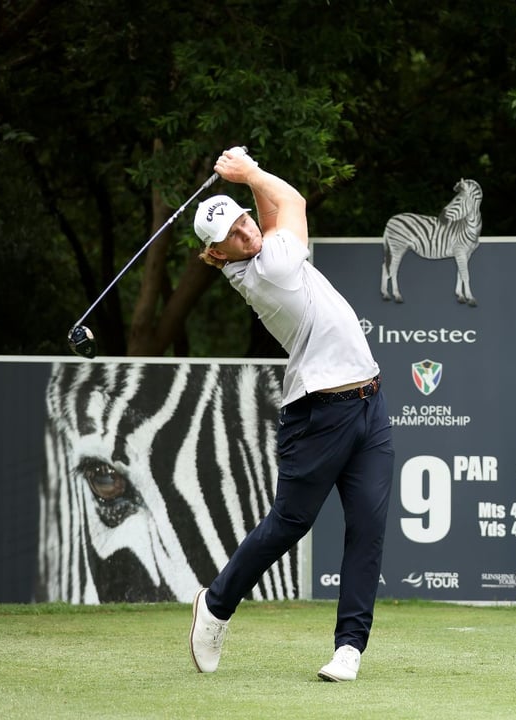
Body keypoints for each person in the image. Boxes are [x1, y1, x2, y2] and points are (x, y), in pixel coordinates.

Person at [188, 146, 395, 682]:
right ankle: (215, 605)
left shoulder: (264, 249)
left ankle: (349, 648)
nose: (246, 233)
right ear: (215, 256)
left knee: (368, 527)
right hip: (320, 414)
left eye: (242, 221)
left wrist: (248, 182)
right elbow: (292, 201)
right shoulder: (268, 270)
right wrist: (249, 171)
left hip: (370, 401)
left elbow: (273, 214)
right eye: (231, 236)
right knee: (290, 523)